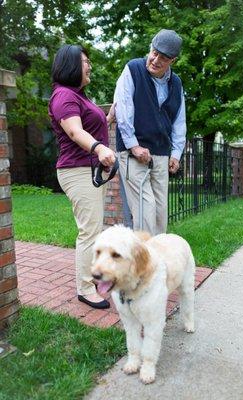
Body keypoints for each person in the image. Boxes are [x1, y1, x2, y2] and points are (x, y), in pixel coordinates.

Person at [49, 44, 116, 309]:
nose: (89, 66)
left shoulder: (79, 96)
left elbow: (88, 127)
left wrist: (108, 118)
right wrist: (99, 148)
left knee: (93, 229)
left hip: (86, 169)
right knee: (89, 231)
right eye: (85, 61)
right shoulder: (64, 96)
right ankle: (85, 289)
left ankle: (91, 280)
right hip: (76, 171)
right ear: (71, 65)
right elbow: (76, 132)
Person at [114, 29, 186, 235]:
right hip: (135, 153)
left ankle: (157, 261)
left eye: (162, 58)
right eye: (153, 53)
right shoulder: (133, 69)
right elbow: (123, 109)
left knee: (160, 212)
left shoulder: (177, 83)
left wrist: (176, 154)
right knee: (146, 211)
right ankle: (143, 264)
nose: (154, 60)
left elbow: (179, 121)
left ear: (172, 60)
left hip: (162, 154)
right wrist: (133, 146)